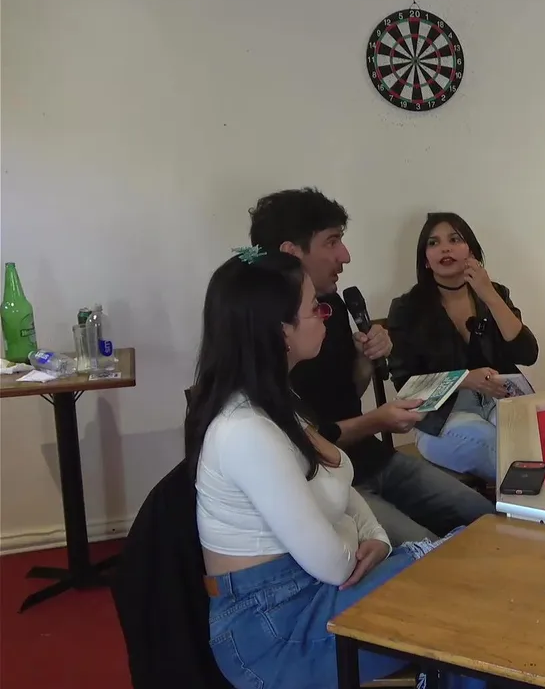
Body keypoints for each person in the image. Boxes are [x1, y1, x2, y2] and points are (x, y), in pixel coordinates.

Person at [187, 248, 481, 688]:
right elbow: (336, 565)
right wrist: (355, 536)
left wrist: (375, 536)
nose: (325, 315)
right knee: (465, 589)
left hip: (307, 592)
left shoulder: (278, 400)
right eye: (314, 308)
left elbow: (342, 486)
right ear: (280, 331)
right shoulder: (244, 430)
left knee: (471, 565)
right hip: (276, 630)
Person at [249, 188, 493, 544]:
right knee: (426, 552)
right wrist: (378, 420)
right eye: (332, 242)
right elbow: (306, 441)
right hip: (327, 483)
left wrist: (364, 358)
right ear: (291, 252)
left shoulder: (331, 305)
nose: (345, 256)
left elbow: (345, 395)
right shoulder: (258, 336)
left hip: (372, 458)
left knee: (486, 517)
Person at [387, 213, 538, 483]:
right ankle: (542, 496)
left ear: (471, 252)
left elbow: (528, 354)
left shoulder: (494, 293)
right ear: (426, 259)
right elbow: (407, 386)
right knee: (496, 443)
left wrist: (489, 295)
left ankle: (536, 498)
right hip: (441, 416)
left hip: (498, 400)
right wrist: (464, 380)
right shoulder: (408, 308)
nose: (445, 248)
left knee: (530, 433)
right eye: (434, 243)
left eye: (454, 240)